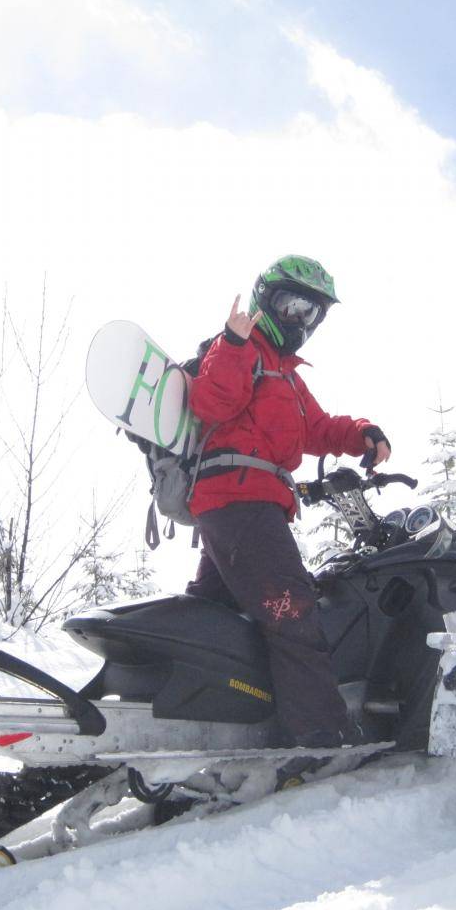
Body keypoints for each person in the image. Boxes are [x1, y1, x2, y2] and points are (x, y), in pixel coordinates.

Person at [185, 255, 390, 747]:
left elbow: (317, 429)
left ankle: (206, 703)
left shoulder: (285, 373)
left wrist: (363, 433)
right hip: (239, 503)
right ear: (266, 299)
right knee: (293, 611)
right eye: (294, 305)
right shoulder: (238, 351)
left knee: (215, 611)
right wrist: (232, 342)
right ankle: (322, 735)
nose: (301, 320)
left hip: (248, 509)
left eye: (312, 313)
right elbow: (209, 403)